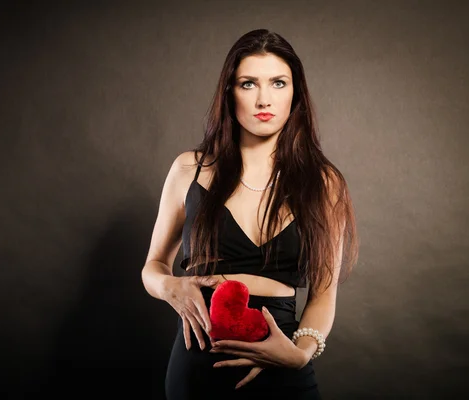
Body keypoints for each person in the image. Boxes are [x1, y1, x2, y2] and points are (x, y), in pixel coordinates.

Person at [141, 28, 359, 399]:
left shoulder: (324, 183)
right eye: (247, 84)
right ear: (229, 93)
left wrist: (297, 356)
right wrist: (169, 286)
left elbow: (323, 295)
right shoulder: (189, 169)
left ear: (296, 93)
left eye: (277, 83)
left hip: (281, 359)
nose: (263, 99)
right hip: (200, 363)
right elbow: (153, 266)